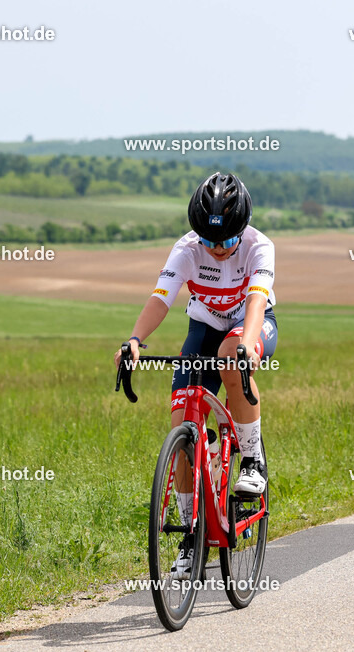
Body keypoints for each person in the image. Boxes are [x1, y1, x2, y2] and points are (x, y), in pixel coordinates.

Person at [114, 172, 277, 579]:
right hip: (202, 328)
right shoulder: (186, 250)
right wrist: (134, 340)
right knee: (184, 425)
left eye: (225, 241)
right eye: (207, 241)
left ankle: (253, 460)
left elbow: (256, 302)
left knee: (229, 357)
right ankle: (192, 535)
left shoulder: (260, 247)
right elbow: (160, 299)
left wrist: (247, 345)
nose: (217, 250)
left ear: (241, 231)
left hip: (251, 323)